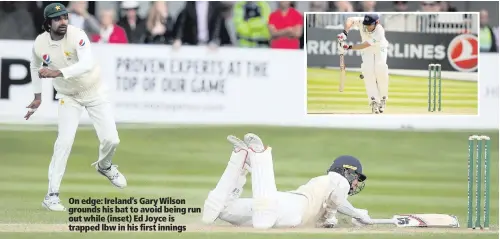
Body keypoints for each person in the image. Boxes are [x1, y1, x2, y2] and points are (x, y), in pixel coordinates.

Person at [25, 3, 127, 212]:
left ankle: (105, 166)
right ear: (48, 23)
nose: (63, 22)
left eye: (65, 17)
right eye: (57, 19)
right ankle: (51, 195)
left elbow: (86, 63)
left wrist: (57, 72)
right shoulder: (40, 43)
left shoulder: (77, 35)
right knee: (64, 142)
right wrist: (37, 97)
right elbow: (35, 66)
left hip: (94, 91)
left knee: (111, 139)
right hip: (68, 96)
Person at [201, 133, 373, 229]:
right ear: (347, 171)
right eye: (357, 178)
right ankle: (260, 155)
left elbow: (330, 215)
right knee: (264, 219)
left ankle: (239, 159)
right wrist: (358, 215)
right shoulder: (338, 180)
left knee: (221, 210)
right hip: (291, 208)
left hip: (284, 202)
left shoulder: (326, 185)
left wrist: (354, 217)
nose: (357, 183)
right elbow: (338, 201)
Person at [337, 14, 389, 114]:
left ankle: (383, 98)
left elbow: (364, 44)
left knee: (380, 69)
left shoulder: (379, 31)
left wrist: (349, 47)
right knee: (368, 71)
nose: (368, 27)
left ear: (376, 23)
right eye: (366, 24)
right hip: (367, 50)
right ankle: (373, 101)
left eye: (370, 25)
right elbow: (350, 20)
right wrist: (345, 33)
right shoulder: (362, 22)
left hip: (379, 48)